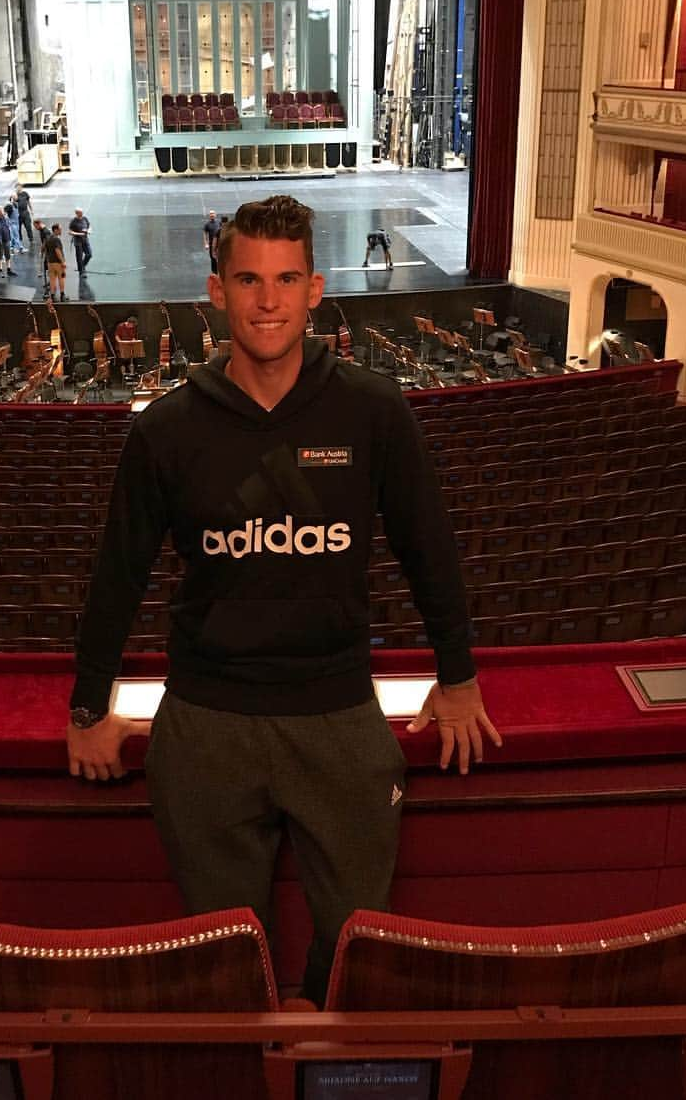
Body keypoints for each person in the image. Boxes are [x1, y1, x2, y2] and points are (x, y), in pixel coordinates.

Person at [66, 193, 499, 1005]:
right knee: (222, 954)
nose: (267, 300)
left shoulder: (374, 411)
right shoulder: (163, 429)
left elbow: (428, 549)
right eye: (249, 279)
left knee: (358, 949)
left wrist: (460, 673)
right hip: (206, 726)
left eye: (286, 278)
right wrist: (88, 706)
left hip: (337, 715)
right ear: (217, 291)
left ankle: (317, 1058)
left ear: (315, 289)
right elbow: (116, 574)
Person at [44, 223, 66, 301]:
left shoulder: (48, 238)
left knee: (52, 279)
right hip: (57, 262)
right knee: (61, 278)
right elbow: (57, 251)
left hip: (50, 262)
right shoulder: (56, 239)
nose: (61, 231)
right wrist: (63, 262)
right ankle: (62, 296)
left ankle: (52, 296)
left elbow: (44, 249)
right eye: (60, 229)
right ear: (55, 230)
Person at [0, 206, 16, 277]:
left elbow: (8, 225)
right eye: (3, 212)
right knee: (0, 255)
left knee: (7, 254)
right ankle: (0, 270)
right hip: (0, 241)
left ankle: (8, 269)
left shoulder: (5, 218)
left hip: (6, 239)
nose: (4, 213)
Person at [68, 209, 92, 274]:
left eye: (82, 212)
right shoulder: (73, 221)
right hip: (78, 241)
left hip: (85, 239)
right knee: (79, 256)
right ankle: (81, 271)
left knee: (89, 254)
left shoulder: (85, 218)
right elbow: (70, 232)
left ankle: (83, 265)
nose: (82, 213)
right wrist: (79, 234)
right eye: (80, 212)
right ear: (77, 213)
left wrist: (89, 230)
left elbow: (89, 226)